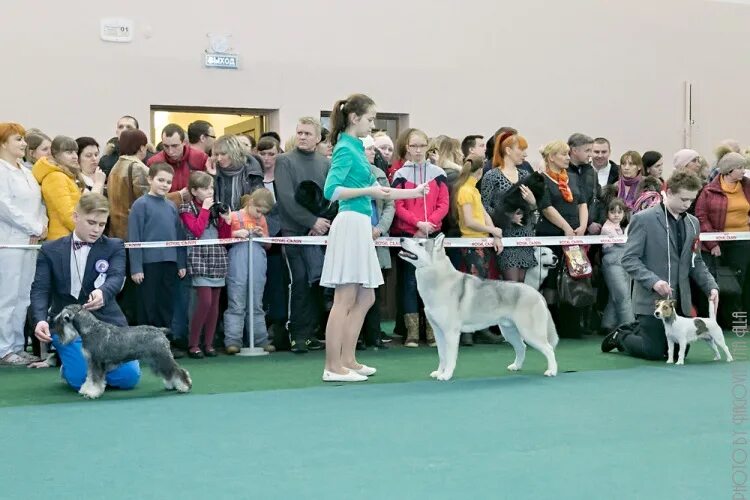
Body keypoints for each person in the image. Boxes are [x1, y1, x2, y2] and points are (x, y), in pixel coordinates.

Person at [320, 93, 427, 382]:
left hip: (360, 225)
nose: (372, 124)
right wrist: (367, 192)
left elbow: (382, 191)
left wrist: (415, 193)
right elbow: (331, 191)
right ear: (354, 118)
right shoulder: (344, 148)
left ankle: (349, 359)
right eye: (369, 119)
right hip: (350, 223)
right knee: (345, 297)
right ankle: (332, 366)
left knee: (366, 296)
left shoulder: (356, 147)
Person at [29, 193, 140, 390]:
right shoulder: (49, 249)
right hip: (67, 326)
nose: (97, 229)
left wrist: (103, 293)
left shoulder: (115, 246)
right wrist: (40, 320)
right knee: (80, 379)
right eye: (91, 222)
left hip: (108, 323)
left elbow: (115, 277)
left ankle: (94, 366)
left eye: (101, 224)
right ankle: (72, 366)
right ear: (75, 217)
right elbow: (40, 289)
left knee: (128, 378)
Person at [603, 172, 718, 360]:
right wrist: (653, 282)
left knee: (678, 351)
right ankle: (621, 335)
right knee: (654, 352)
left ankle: (639, 329)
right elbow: (629, 259)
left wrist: (711, 286)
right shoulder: (643, 219)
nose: (687, 205)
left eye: (691, 200)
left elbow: (695, 261)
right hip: (651, 301)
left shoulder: (693, 223)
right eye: (683, 199)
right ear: (669, 192)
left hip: (680, 303)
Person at [274, 117, 331, 353]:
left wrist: (321, 222)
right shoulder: (284, 161)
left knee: (318, 282)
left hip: (318, 233)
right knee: (298, 280)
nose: (303, 137)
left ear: (318, 138)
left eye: (308, 133)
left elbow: (330, 194)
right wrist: (312, 221)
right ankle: (296, 334)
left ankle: (311, 333)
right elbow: (286, 199)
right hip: (293, 233)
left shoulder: (325, 164)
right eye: (299, 132)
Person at [390, 128, 449, 348]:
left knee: (433, 284)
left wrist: (429, 224)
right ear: (407, 148)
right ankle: (412, 333)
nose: (417, 150)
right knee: (409, 282)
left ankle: (432, 331)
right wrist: (417, 224)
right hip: (409, 235)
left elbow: (444, 204)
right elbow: (398, 205)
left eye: (421, 146)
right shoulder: (399, 175)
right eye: (413, 146)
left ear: (427, 147)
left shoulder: (438, 173)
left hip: (433, 234)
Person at [0, 123, 47, 366]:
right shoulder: (1, 171)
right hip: (8, 242)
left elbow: (39, 204)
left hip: (30, 243)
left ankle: (17, 346)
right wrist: (33, 228)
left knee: (23, 297)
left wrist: (42, 226)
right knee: (6, 296)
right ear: (3, 143)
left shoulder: (27, 172)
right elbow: (6, 207)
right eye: (18, 139)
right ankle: (3, 349)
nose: (23, 144)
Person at [535, 140, 589, 338]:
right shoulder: (541, 179)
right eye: (563, 154)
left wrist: (582, 226)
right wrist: (566, 227)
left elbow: (582, 202)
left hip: (574, 236)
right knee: (550, 280)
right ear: (551, 157)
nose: (568, 157)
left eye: (568, 154)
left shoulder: (573, 178)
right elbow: (546, 207)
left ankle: (572, 321)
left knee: (576, 276)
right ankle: (552, 322)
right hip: (551, 235)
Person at [179, 172, 232, 358]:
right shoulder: (187, 208)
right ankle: (193, 343)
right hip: (199, 256)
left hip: (217, 256)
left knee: (215, 304)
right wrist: (205, 210)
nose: (209, 192)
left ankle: (209, 343)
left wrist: (227, 221)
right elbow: (195, 230)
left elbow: (224, 238)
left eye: (211, 188)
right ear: (194, 191)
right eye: (204, 188)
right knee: (204, 302)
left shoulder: (215, 208)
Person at [128, 163, 188, 328]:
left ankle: (164, 342)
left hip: (169, 262)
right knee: (148, 305)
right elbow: (134, 237)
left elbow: (179, 236)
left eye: (168, 182)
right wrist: (136, 267)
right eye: (160, 180)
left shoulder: (171, 206)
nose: (164, 185)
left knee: (166, 303)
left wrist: (181, 263)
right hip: (148, 265)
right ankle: (146, 343)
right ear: (149, 179)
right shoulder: (140, 205)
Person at [694, 152, 750, 317]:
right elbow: (701, 216)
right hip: (717, 241)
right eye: (740, 168)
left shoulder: (747, 186)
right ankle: (717, 317)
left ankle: (735, 318)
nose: (743, 171)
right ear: (729, 170)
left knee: (740, 281)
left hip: (743, 241)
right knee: (719, 282)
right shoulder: (709, 191)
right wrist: (713, 244)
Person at [480, 131, 537, 283]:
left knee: (521, 284)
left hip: (525, 235)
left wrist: (532, 202)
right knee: (511, 285)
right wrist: (507, 217)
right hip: (505, 235)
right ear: (508, 151)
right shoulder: (492, 176)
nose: (525, 154)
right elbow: (484, 207)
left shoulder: (525, 175)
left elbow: (534, 209)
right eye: (521, 149)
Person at [224, 189, 276, 354]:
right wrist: (235, 234)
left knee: (256, 302)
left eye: (263, 213)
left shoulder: (262, 220)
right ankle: (233, 341)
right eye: (258, 211)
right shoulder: (234, 216)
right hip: (237, 262)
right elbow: (223, 238)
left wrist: (262, 237)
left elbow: (268, 245)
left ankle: (261, 340)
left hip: (258, 262)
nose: (259, 215)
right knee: (236, 301)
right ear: (251, 203)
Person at [359, 135, 395, 350]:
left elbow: (390, 204)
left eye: (374, 149)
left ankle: (374, 335)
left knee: (376, 287)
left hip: (377, 237)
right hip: (357, 235)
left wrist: (380, 228)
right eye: (369, 149)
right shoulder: (350, 175)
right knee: (356, 287)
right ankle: (357, 337)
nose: (374, 153)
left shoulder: (380, 174)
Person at [32, 135, 86, 241]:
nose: (75, 156)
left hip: (69, 238)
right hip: (62, 240)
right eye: (69, 152)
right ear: (54, 155)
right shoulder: (56, 177)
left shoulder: (64, 176)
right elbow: (67, 215)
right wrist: (86, 234)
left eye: (75, 152)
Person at [599, 198, 634, 334]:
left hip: (621, 262)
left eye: (620, 212)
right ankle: (629, 326)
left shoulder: (618, 227)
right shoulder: (607, 228)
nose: (616, 215)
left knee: (615, 296)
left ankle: (607, 324)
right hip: (612, 262)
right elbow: (622, 243)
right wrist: (630, 230)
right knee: (623, 295)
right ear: (607, 213)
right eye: (612, 211)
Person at [213, 134, 264, 211]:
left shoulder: (251, 170)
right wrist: (212, 176)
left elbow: (259, 201)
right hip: (221, 220)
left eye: (223, 154)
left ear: (234, 152)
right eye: (216, 154)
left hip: (246, 220)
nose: (219, 158)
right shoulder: (213, 170)